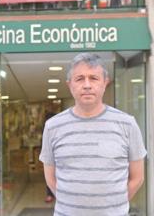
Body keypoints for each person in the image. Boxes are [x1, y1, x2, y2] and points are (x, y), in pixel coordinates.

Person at [40, 53, 146, 216]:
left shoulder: (127, 124)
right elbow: (51, 179)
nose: (87, 85)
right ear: (70, 85)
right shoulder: (53, 127)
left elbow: (137, 178)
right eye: (80, 78)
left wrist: (113, 206)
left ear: (105, 83)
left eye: (94, 78)